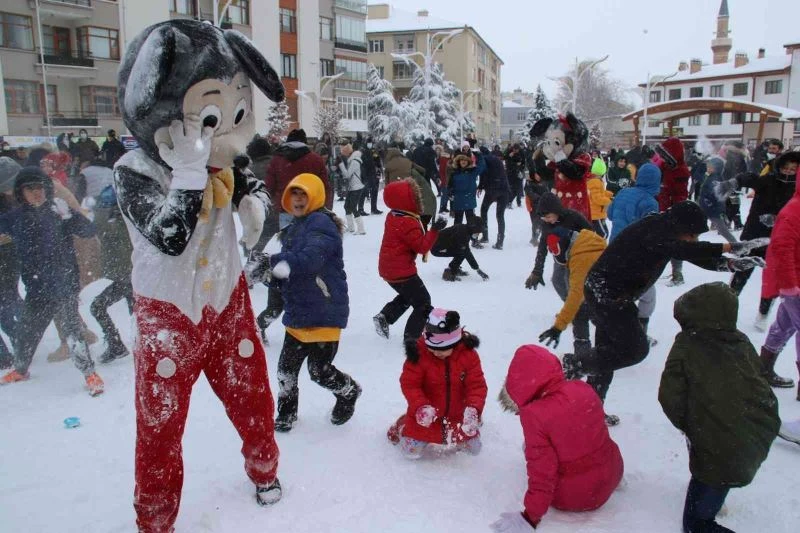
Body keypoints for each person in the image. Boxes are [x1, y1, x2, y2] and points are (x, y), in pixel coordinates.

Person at [563, 201, 766, 419]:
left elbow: (690, 252)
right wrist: (730, 247)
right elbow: (684, 249)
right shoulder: (654, 230)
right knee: (635, 349)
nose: (695, 240)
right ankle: (575, 364)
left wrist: (731, 265)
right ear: (681, 227)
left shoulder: (665, 232)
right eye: (693, 235)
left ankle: (590, 408)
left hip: (612, 292)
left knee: (607, 355)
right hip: (605, 292)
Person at [659, 282, 780, 533]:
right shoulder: (741, 342)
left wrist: (693, 425)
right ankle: (714, 495)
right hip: (757, 431)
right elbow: (757, 380)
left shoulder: (687, 345)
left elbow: (670, 397)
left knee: (696, 524)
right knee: (722, 461)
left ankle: (706, 512)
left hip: (720, 447)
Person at [261, 173, 362, 432]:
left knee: (319, 371)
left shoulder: (321, 224)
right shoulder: (295, 227)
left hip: (324, 310)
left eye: (304, 194)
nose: (298, 199)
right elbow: (290, 270)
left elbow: (309, 260)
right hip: (299, 311)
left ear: (315, 196)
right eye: (294, 194)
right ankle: (286, 413)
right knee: (286, 370)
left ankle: (349, 391)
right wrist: (270, 277)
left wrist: (272, 262)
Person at [491, 345, 623, 532]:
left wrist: (530, 517)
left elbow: (542, 472)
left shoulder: (534, 415)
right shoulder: (583, 388)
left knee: (533, 447)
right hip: (613, 474)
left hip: (576, 496)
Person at [0, 167, 104, 395]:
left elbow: (88, 231)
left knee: (74, 333)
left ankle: (90, 374)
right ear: (21, 192)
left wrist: (71, 215)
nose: (36, 193)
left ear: (47, 189)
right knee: (27, 332)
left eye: (40, 187)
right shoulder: (15, 218)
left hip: (64, 285)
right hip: (36, 289)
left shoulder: (58, 212)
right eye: (30, 189)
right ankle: (20, 369)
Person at [386, 308, 487, 459]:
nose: (436, 353)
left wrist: (473, 409)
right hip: (426, 418)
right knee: (411, 452)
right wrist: (420, 406)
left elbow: (477, 386)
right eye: (432, 349)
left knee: (475, 449)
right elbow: (410, 384)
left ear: (455, 342)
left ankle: (466, 429)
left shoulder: (468, 355)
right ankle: (403, 424)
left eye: (442, 349)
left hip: (457, 416)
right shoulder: (418, 355)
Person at [260, 128, 331, 338]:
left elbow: (269, 186)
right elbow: (325, 186)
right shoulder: (315, 160)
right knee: (308, 256)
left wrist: (276, 204)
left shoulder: (277, 160)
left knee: (287, 247)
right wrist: (325, 209)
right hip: (313, 210)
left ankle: (275, 302)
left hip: (285, 209)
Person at [720, 151, 800, 334]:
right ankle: (726, 309)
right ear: (779, 167)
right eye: (785, 168)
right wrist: (733, 182)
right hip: (754, 237)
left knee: (771, 280)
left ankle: (763, 313)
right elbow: (748, 178)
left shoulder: (796, 188)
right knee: (741, 273)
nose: (788, 172)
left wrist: (778, 219)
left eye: (793, 170)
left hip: (778, 241)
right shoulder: (768, 181)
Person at [374, 179, 446, 353]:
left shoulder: (394, 215)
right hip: (401, 271)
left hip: (389, 268)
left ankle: (385, 316)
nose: (417, 200)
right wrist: (435, 230)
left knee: (409, 296)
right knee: (423, 303)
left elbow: (408, 233)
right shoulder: (408, 221)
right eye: (415, 197)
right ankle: (411, 338)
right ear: (408, 201)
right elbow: (421, 246)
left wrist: (421, 222)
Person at [606, 162, 662, 348]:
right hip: (634, 256)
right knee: (646, 295)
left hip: (614, 251)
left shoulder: (624, 192)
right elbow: (651, 231)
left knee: (619, 294)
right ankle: (638, 335)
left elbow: (610, 213)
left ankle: (617, 332)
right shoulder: (649, 202)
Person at [760, 171, 800, 396]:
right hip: (794, 281)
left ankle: (763, 368)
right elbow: (781, 248)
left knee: (785, 323)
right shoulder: (793, 211)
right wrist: (789, 284)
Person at [537, 228, 607, 359]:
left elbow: (575, 295)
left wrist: (558, 327)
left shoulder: (581, 258)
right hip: (599, 294)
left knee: (584, 315)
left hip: (604, 298)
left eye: (557, 251)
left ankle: (587, 359)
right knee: (585, 315)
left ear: (563, 245)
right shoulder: (585, 241)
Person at [90, 184, 133, 363]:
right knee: (138, 316)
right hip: (130, 277)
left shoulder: (116, 223)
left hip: (129, 277)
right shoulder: (128, 219)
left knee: (98, 307)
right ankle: (119, 346)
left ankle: (118, 346)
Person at [654, 137, 691, 286]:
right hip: (660, 208)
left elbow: (681, 194)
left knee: (674, 244)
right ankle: (654, 271)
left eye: (665, 154)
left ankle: (677, 274)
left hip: (673, 212)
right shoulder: (664, 167)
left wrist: (675, 211)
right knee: (659, 243)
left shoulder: (681, 171)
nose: (662, 157)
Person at [0, 158, 22, 368]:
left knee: (8, 301)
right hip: (9, 258)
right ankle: (20, 340)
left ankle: (21, 341)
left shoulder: (12, 203)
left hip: (8, 259)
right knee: (9, 300)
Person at [431, 216, 489, 281]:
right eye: (478, 232)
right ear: (474, 228)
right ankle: (449, 273)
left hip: (441, 245)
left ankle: (454, 268)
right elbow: (467, 253)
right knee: (462, 252)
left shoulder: (465, 229)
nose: (478, 234)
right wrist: (477, 269)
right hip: (436, 248)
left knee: (461, 251)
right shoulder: (462, 234)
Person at [698, 157, 739, 244]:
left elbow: (715, 194)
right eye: (708, 167)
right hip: (706, 207)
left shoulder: (715, 179)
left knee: (723, 230)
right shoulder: (711, 177)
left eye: (710, 167)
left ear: (717, 168)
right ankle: (691, 245)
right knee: (694, 227)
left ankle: (736, 245)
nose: (708, 169)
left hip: (712, 208)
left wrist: (708, 201)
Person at [477, 146, 509, 249]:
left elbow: (483, 173)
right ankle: (500, 242)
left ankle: (485, 236)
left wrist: (481, 186)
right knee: (500, 215)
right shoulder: (495, 158)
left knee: (483, 210)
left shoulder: (484, 159)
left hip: (493, 189)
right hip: (504, 189)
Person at [449, 148, 486, 227]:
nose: (463, 161)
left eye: (465, 160)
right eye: (461, 159)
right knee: (457, 223)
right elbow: (450, 186)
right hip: (458, 201)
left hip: (469, 201)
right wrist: (450, 194)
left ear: (468, 161)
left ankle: (473, 237)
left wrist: (478, 154)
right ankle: (457, 238)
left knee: (471, 222)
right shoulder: (454, 173)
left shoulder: (472, 172)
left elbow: (482, 166)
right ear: (458, 161)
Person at [337, 142, 366, 235]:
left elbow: (347, 175)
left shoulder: (354, 161)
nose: (343, 156)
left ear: (347, 153)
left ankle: (361, 229)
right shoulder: (352, 160)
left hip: (357, 187)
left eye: (344, 154)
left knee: (353, 207)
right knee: (346, 206)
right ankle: (351, 228)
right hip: (352, 187)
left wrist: (340, 164)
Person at [586, 157, 613, 239]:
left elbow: (599, 193)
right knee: (603, 234)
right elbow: (597, 198)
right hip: (596, 214)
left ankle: (596, 248)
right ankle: (598, 249)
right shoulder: (595, 182)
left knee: (599, 234)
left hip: (597, 213)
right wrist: (608, 201)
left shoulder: (595, 181)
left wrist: (608, 194)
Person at [504, 143, 526, 208]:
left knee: (519, 188)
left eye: (516, 150)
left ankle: (518, 202)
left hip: (519, 173)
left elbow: (523, 162)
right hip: (510, 173)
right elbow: (507, 163)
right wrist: (510, 157)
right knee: (511, 189)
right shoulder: (509, 152)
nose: (515, 151)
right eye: (514, 150)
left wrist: (521, 169)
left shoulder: (521, 152)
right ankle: (508, 202)